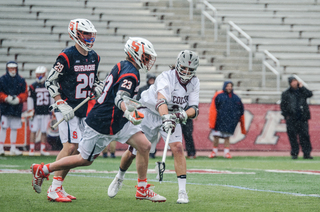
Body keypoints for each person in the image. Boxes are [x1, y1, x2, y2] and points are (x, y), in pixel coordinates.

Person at [30, 37, 166, 203]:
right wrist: (129, 112)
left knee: (144, 145)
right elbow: (120, 97)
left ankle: (142, 188)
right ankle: (43, 169)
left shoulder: (122, 65)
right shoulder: (131, 72)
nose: (148, 60)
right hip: (103, 122)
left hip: (118, 120)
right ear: (135, 54)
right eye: (145, 56)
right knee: (84, 160)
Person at [108, 50, 200, 204]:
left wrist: (181, 115)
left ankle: (182, 191)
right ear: (177, 65)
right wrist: (165, 118)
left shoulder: (195, 82)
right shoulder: (166, 76)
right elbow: (161, 101)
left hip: (172, 115)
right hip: (150, 112)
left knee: (177, 148)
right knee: (133, 152)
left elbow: (194, 109)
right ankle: (119, 177)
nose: (186, 72)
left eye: (190, 70)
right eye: (184, 68)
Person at [38, 19, 104, 202]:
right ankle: (52, 185)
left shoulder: (94, 56)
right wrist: (60, 103)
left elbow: (93, 80)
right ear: (75, 34)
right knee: (71, 146)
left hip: (82, 108)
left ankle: (56, 185)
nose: (90, 37)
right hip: (66, 106)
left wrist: (97, 87)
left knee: (78, 151)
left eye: (91, 34)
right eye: (86, 33)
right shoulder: (66, 56)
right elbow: (50, 81)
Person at [208, 81, 246, 159]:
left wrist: (236, 118)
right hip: (219, 120)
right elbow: (213, 108)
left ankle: (226, 152)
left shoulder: (235, 97)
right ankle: (214, 151)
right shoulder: (219, 95)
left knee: (227, 137)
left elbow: (241, 109)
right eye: (228, 86)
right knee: (216, 136)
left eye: (230, 86)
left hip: (229, 121)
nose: (229, 88)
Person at [280, 76, 313, 159]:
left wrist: (302, 87)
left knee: (304, 136)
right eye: (292, 82)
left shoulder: (302, 91)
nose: (294, 83)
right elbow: (283, 105)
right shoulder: (286, 93)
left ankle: (307, 153)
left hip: (302, 118)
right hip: (291, 118)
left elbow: (309, 94)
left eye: (295, 81)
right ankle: (294, 153)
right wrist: (286, 116)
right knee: (292, 136)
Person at [0, 61, 28, 156]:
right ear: (7, 69)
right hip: (5, 108)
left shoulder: (20, 80)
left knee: (14, 128)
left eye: (14, 68)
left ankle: (13, 148)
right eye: (11, 69)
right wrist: (5, 98)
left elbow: (25, 93)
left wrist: (19, 99)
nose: (12, 70)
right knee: (3, 128)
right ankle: (1, 147)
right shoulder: (2, 79)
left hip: (16, 108)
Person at [27, 66, 53, 156]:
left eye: (41, 74)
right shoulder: (33, 86)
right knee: (33, 130)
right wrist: (31, 110)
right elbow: (30, 99)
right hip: (36, 112)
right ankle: (32, 149)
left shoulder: (48, 85)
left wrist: (52, 110)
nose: (39, 76)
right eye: (38, 74)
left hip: (45, 112)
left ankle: (42, 149)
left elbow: (51, 99)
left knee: (44, 131)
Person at [136, 73, 158, 158]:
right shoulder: (142, 89)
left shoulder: (158, 90)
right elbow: (138, 101)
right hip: (145, 114)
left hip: (155, 115)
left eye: (153, 79)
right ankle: (142, 151)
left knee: (154, 135)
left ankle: (152, 151)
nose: (152, 81)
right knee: (144, 134)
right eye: (150, 79)